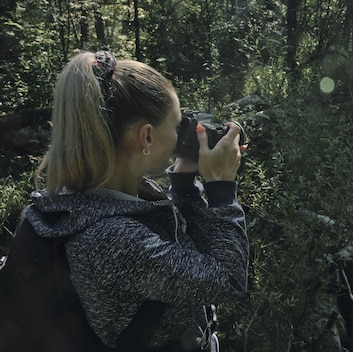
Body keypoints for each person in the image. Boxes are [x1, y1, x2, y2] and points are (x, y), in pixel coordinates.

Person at [26, 50, 249, 350]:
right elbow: (228, 281)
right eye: (176, 125)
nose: (180, 135)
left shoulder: (90, 199)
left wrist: (183, 184)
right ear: (146, 137)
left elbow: (184, 255)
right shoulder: (111, 239)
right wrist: (221, 188)